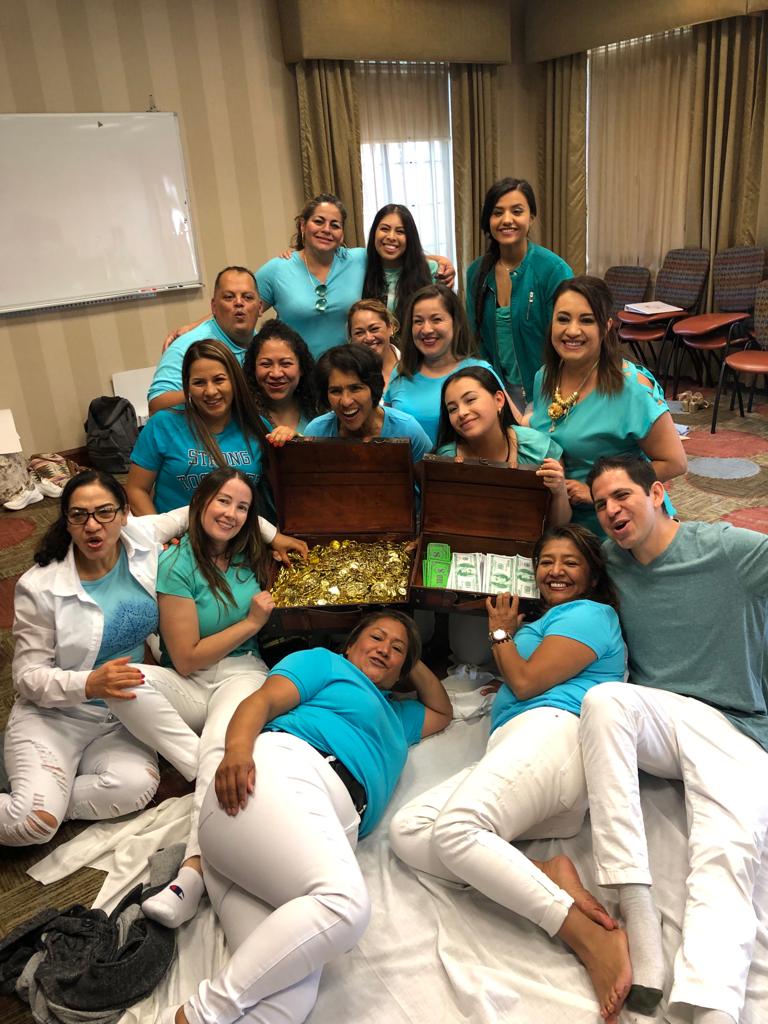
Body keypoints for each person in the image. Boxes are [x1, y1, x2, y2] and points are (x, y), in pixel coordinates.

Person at [158, 610, 453, 1024]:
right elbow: (260, 701)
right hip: (276, 780)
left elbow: (443, 711)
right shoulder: (325, 663)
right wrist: (238, 752)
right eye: (375, 638)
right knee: (346, 907)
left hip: (266, 852)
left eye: (396, 649)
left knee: (287, 1005)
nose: (384, 649)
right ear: (350, 644)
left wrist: (407, 656)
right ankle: (197, 1014)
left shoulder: (399, 717)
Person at [389, 525, 631, 1023]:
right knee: (408, 833)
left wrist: (500, 630)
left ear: (591, 574)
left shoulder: (590, 614)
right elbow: (521, 680)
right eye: (546, 562)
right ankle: (545, 874)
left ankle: (588, 935)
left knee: (457, 830)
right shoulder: (556, 620)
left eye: (569, 562)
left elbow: (524, 680)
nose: (555, 571)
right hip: (527, 754)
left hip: (554, 737)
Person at [581, 455, 768, 1024]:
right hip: (664, 717)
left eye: (622, 496)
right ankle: (639, 918)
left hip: (739, 729)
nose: (612, 511)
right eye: (601, 504)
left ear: (658, 491)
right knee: (603, 702)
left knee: (726, 853)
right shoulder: (609, 565)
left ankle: (710, 1006)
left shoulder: (729, 550)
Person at [109, 469, 276, 930]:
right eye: (223, 502)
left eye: (242, 507)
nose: (231, 514)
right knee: (120, 679)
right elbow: (183, 659)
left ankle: (191, 876)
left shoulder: (253, 555)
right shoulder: (176, 562)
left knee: (224, 748)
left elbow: (275, 540)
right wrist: (251, 624)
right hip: (190, 679)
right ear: (201, 503)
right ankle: (199, 762)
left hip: (242, 676)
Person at [4, 471, 189, 846]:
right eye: (79, 515)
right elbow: (27, 677)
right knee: (31, 826)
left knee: (137, 789)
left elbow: (200, 510)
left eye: (104, 512)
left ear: (124, 514)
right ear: (66, 522)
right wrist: (89, 683)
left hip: (120, 714)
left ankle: (47, 795)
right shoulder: (39, 586)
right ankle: (39, 805)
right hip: (55, 715)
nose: (93, 525)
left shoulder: (141, 536)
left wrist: (275, 537)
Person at [529, 276, 687, 536]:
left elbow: (675, 462)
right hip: (562, 519)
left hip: (622, 524)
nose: (572, 330)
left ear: (606, 327)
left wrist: (600, 492)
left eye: (586, 320)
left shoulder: (630, 387)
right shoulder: (544, 377)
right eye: (563, 319)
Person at [466, 178, 573, 411]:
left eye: (517, 211)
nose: (507, 220)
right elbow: (476, 343)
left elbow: (570, 339)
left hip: (550, 390)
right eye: (497, 213)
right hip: (499, 393)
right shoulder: (477, 273)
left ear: (531, 217)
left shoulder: (553, 270)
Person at [127, 340, 268, 515]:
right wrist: (160, 536)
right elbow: (136, 490)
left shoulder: (257, 425)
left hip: (239, 536)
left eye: (219, 380)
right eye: (199, 383)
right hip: (175, 538)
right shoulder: (163, 424)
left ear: (235, 381)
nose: (210, 391)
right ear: (187, 387)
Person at [435, 365, 571, 525]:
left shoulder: (538, 448)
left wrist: (560, 490)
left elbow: (559, 525)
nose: (462, 413)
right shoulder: (446, 459)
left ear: (499, 399)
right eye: (452, 409)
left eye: (470, 400)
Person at [384, 283, 499, 447]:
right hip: (405, 469)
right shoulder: (401, 370)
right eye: (418, 321)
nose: (426, 329)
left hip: (460, 469)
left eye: (436, 319)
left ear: (455, 323)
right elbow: (387, 426)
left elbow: (509, 429)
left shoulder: (479, 371)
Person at [148, 266, 260, 413]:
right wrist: (203, 393)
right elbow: (156, 405)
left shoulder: (262, 344)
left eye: (247, 297)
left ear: (260, 307)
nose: (239, 302)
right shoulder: (188, 346)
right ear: (213, 307)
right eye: (229, 297)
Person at [301, 344, 432, 463]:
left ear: (373, 388)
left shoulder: (407, 429)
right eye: (336, 391)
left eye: (355, 388)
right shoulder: (317, 432)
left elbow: (429, 485)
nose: (346, 401)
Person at [241, 319, 319, 442]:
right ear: (253, 369)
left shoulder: (318, 409)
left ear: (302, 368)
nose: (276, 374)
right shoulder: (242, 414)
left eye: (286, 364)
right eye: (266, 364)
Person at [361, 203, 437, 325]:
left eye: (400, 231)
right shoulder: (360, 266)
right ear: (374, 232)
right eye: (384, 229)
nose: (391, 237)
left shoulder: (430, 270)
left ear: (410, 238)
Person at [347, 298, 401, 389]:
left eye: (374, 329)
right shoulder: (346, 375)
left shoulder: (414, 365)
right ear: (351, 338)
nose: (369, 338)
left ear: (390, 327)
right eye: (359, 333)